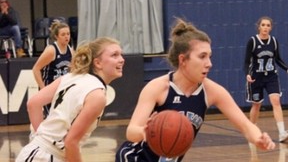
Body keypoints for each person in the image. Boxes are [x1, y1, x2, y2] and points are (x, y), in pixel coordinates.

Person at [116, 18, 275, 162]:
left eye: (210, 56)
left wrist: (258, 138)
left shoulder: (212, 91)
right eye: (202, 56)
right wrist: (147, 132)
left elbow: (246, 126)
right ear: (183, 60)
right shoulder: (158, 87)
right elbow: (131, 131)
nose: (209, 63)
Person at [16, 37, 125, 162]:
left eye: (121, 55)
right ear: (98, 63)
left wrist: (40, 137)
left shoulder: (70, 77)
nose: (121, 59)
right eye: (114, 55)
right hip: (46, 157)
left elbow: (33, 103)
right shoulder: (97, 95)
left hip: (38, 152)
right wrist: (46, 141)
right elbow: (71, 142)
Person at [244, 16, 288, 143]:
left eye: (268, 25)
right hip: (256, 77)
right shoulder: (252, 41)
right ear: (259, 26)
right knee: (256, 105)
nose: (265, 27)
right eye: (263, 25)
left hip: (271, 76)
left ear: (271, 28)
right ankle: (252, 131)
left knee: (276, 101)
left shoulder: (273, 41)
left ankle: (281, 133)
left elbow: (278, 59)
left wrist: (286, 68)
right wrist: (247, 73)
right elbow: (247, 61)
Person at [32, 20, 73, 117]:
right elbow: (36, 69)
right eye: (63, 34)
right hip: (49, 88)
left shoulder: (70, 50)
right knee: (51, 118)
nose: (66, 36)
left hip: (62, 90)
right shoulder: (51, 50)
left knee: (64, 118)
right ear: (56, 36)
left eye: (68, 34)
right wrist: (43, 89)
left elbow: (73, 70)